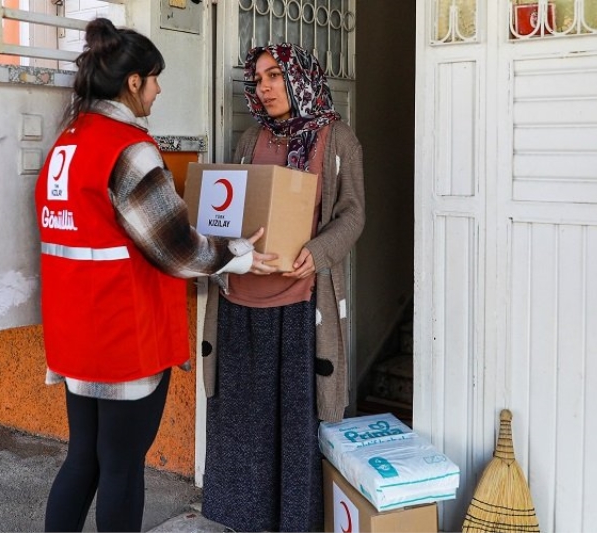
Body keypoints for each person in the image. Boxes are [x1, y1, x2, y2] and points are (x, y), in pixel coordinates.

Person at [34, 18, 276, 533]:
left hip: (77, 331)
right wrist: (239, 254)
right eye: (155, 78)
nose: (160, 89)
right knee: (122, 466)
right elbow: (177, 250)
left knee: (84, 458)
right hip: (124, 334)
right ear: (133, 82)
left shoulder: (68, 142)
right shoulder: (129, 148)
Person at [200, 43, 366, 532]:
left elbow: (353, 214)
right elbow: (230, 211)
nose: (265, 87)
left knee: (293, 429)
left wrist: (316, 253)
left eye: (275, 76)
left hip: (298, 309)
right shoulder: (252, 139)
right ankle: (242, 521)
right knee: (242, 426)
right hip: (240, 304)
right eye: (258, 79)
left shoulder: (337, 140)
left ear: (300, 77)